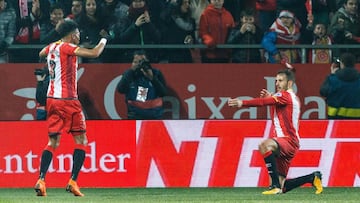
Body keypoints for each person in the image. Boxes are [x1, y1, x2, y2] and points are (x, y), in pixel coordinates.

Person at [34, 19, 107, 197]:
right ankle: (73, 182)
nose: (79, 36)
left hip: (51, 100)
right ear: (73, 34)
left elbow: (40, 53)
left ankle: (41, 180)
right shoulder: (67, 47)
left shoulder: (52, 47)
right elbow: (95, 53)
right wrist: (104, 39)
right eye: (78, 34)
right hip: (68, 100)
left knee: (53, 142)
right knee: (81, 141)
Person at [227, 65, 323, 195]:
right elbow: (275, 105)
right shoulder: (289, 97)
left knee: (264, 145)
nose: (277, 83)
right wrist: (270, 97)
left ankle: (274, 186)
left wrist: (241, 103)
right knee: (283, 186)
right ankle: (312, 177)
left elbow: (262, 103)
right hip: (289, 143)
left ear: (289, 83)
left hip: (287, 141)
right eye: (276, 80)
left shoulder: (285, 95)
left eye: (280, 80)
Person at [117, 50, 167, 120]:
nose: (139, 64)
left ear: (147, 61)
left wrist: (152, 78)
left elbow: (163, 93)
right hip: (134, 116)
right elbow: (121, 90)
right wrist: (131, 71)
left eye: (142, 62)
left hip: (155, 116)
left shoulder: (156, 73)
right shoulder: (129, 74)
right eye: (136, 62)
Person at [320, 52, 360, 119]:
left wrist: (332, 75)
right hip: (357, 121)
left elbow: (323, 92)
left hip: (336, 120)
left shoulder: (333, 79)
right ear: (354, 64)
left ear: (342, 64)